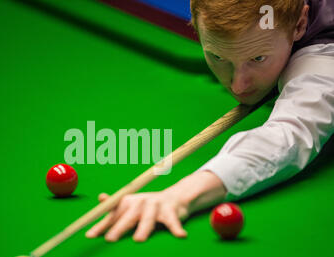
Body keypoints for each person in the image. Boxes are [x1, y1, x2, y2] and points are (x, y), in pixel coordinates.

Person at [86, 0, 334, 242]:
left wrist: (180, 196)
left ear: (300, 24)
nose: (238, 86)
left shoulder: (324, 55)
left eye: (258, 58)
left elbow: (290, 134)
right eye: (218, 57)